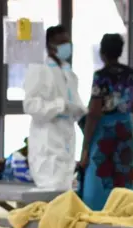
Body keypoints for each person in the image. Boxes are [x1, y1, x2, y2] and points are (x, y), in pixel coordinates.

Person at [78, 33, 133, 210]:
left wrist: (85, 148)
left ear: (102, 53)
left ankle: (98, 221)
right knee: (122, 176)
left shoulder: (101, 76)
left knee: (97, 178)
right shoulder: (130, 74)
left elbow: (95, 112)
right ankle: (123, 217)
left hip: (106, 131)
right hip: (125, 129)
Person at [23, 25, 86, 190]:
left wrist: (79, 110)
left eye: (67, 42)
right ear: (50, 45)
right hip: (48, 136)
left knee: (65, 187)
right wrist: (59, 106)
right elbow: (30, 105)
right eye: (61, 42)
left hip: (66, 135)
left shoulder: (67, 70)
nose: (66, 46)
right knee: (51, 187)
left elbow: (74, 100)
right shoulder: (39, 69)